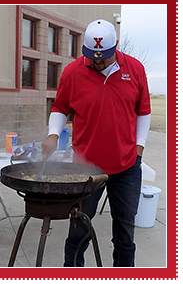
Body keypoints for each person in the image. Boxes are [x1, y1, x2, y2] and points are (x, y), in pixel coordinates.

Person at [42, 19, 151, 267]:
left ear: (116, 47)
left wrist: (139, 146)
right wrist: (53, 133)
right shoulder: (72, 72)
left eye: (103, 57)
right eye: (93, 57)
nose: (98, 62)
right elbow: (60, 106)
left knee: (125, 232)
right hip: (85, 168)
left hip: (126, 167)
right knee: (79, 231)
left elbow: (143, 110)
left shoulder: (134, 69)